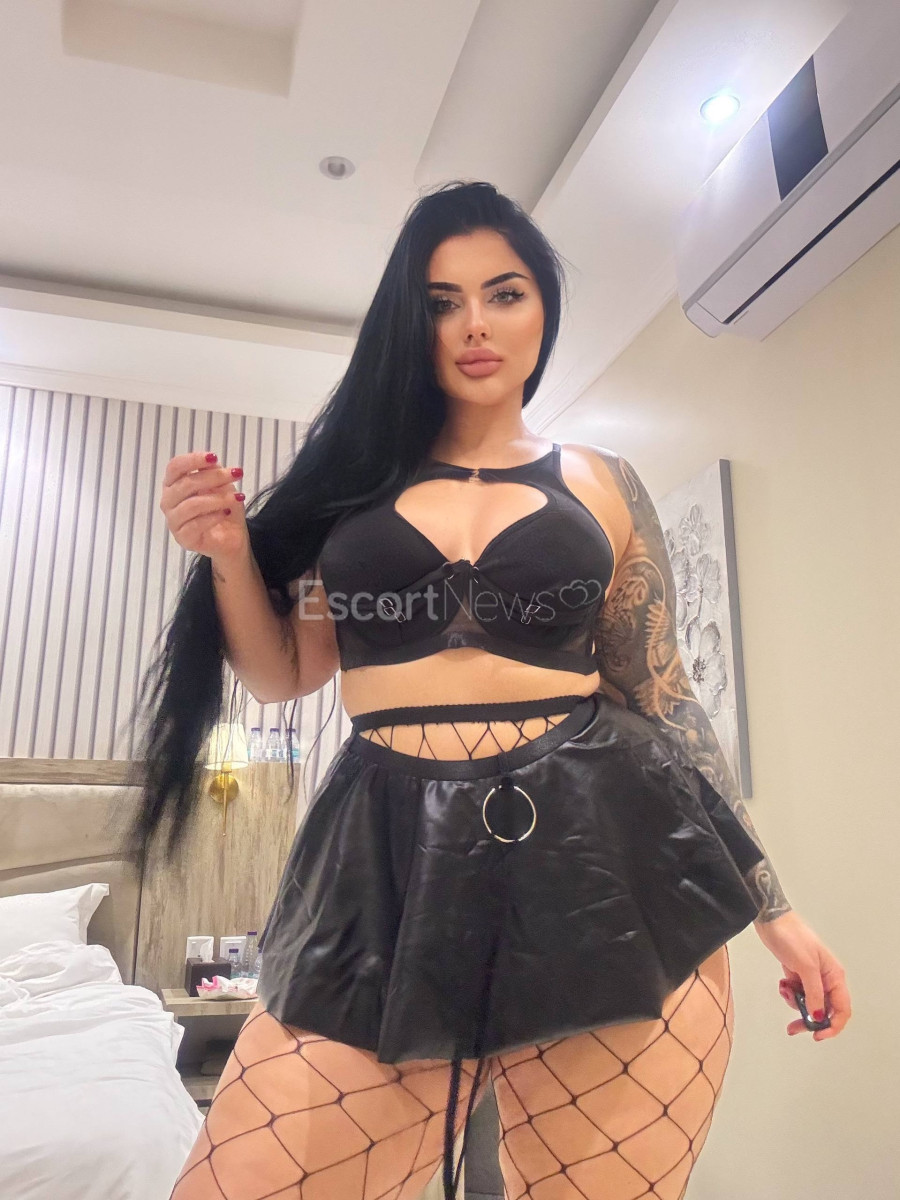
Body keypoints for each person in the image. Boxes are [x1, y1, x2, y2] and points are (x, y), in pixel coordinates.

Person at [130, 181, 851, 1200]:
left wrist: (776, 906)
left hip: (611, 859)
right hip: (383, 861)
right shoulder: (350, 487)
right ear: (408, 323)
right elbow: (288, 671)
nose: (474, 323)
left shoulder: (602, 480)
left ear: (541, 310)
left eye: (503, 293)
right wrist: (228, 554)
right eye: (441, 302)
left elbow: (663, 696)